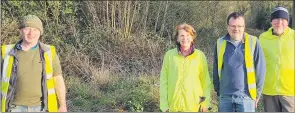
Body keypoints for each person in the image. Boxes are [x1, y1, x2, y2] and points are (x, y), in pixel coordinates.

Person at [1, 14, 67, 112]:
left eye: (35, 29)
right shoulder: (6, 52)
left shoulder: (49, 52)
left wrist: (62, 105)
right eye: (27, 28)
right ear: (20, 31)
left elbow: (57, 79)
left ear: (40, 33)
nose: (31, 33)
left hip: (41, 108)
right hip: (13, 107)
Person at [212, 12, 266, 112]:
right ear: (227, 27)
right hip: (225, 98)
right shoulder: (220, 42)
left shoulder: (253, 42)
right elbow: (215, 68)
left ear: (244, 26)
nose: (236, 29)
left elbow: (261, 70)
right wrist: (218, 90)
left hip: (247, 97)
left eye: (239, 26)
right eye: (233, 26)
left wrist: (257, 94)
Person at [159, 23, 212, 112]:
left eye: (188, 35)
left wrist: (204, 103)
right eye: (182, 35)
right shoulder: (169, 55)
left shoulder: (200, 56)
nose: (185, 38)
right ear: (177, 38)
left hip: (194, 106)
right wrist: (164, 105)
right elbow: (163, 82)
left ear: (192, 38)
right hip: (173, 107)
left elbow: (205, 82)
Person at [259, 6, 294, 112]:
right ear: (271, 21)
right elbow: (258, 63)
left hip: (290, 91)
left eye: (283, 19)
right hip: (269, 90)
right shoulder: (262, 38)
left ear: (287, 21)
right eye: (276, 19)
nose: (279, 22)